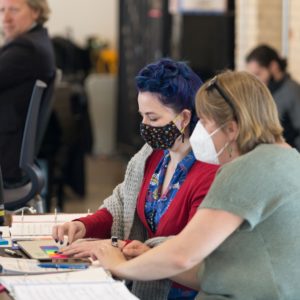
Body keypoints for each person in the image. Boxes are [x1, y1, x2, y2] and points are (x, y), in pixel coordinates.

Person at [89, 70, 300, 300]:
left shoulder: (244, 170)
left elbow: (183, 255)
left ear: (231, 129)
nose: (200, 133)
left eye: (206, 123)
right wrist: (147, 254)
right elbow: (213, 270)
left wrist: (119, 267)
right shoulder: (290, 159)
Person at [52, 58, 219, 299]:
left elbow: (191, 252)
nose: (144, 126)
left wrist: (117, 247)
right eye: (142, 116)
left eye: (153, 118)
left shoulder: (208, 173)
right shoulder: (152, 155)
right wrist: (84, 225)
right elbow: (121, 204)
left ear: (184, 118)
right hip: (141, 277)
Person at [0, 0, 55, 184]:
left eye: (14, 10)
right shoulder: (36, 41)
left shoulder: (26, 49)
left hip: (6, 159)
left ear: (36, 12)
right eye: (2, 10)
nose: (5, 18)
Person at [246, 44, 300, 151]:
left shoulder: (292, 91)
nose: (256, 80)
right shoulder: (267, 90)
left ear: (273, 66)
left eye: (258, 74)